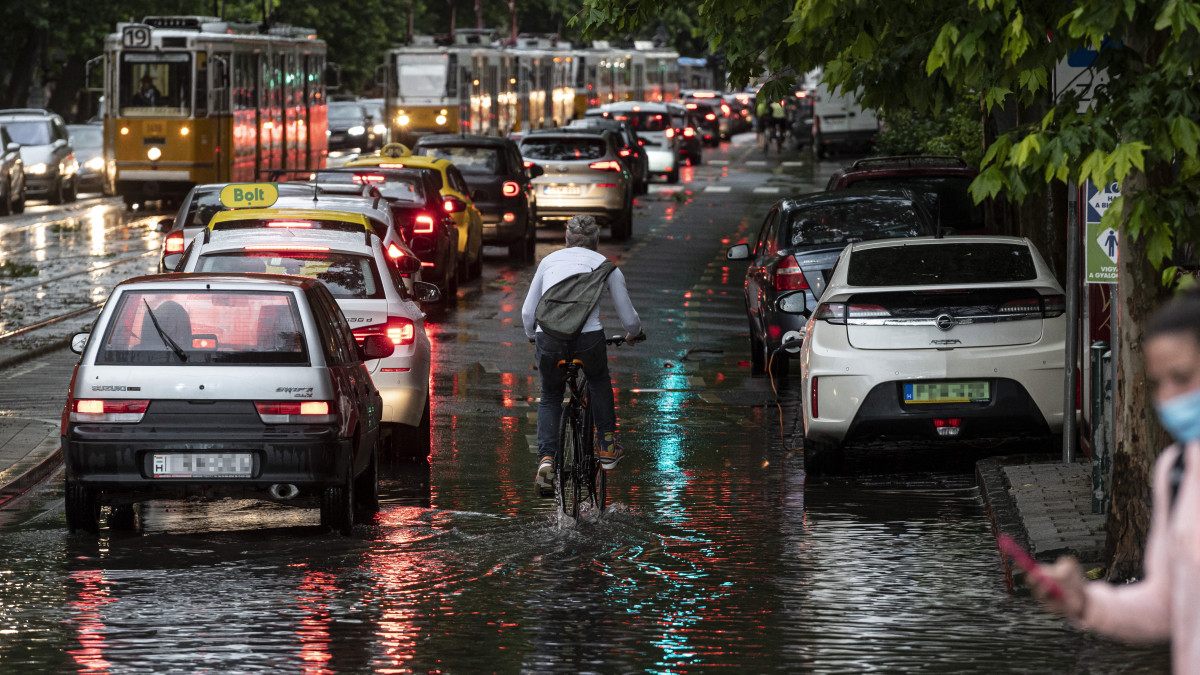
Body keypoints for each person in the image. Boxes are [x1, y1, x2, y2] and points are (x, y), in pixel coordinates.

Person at [1027, 288, 1200, 669]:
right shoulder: (1176, 469)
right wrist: (1085, 601)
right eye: (1158, 384)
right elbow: (1165, 605)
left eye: (1183, 378)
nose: (1169, 398)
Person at [521, 215, 644, 492]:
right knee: (599, 380)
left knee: (551, 395)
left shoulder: (548, 262)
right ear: (596, 241)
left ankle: (546, 461)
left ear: (566, 239)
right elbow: (630, 319)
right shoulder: (606, 266)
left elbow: (528, 312)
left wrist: (533, 336)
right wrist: (633, 334)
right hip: (589, 341)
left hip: (549, 340)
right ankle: (608, 445)